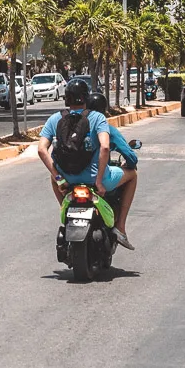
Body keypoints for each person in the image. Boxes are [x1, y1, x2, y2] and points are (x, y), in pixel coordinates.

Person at [38, 78, 137, 250]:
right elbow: (105, 147)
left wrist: (60, 178)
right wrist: (98, 181)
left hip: (67, 179)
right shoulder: (97, 117)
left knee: (52, 179)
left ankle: (67, 211)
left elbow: (41, 150)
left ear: (66, 98)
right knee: (133, 175)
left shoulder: (55, 119)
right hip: (95, 180)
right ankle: (120, 227)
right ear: (86, 98)